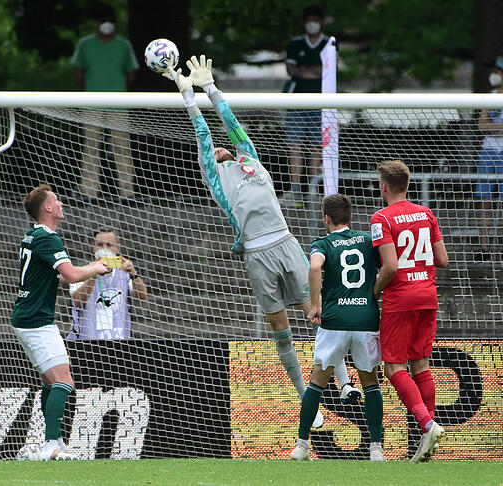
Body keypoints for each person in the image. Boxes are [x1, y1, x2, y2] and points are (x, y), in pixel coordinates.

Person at [165, 55, 361, 430]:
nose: (222, 153)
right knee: (281, 331)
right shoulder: (216, 177)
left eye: (227, 152)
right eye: (219, 156)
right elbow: (204, 136)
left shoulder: (251, 160)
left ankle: (344, 382)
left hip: (286, 244)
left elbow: (232, 126)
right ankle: (308, 400)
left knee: (321, 314)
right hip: (257, 255)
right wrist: (189, 94)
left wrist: (211, 87)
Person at [13, 184, 109, 461]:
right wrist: (96, 267)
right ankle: (50, 445)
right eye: (56, 200)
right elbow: (69, 275)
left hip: (29, 317)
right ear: (47, 208)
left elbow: (55, 274)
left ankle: (54, 440)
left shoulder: (34, 235)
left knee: (50, 380)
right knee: (64, 381)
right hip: (35, 321)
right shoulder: (47, 238)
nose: (61, 203)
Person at [291, 194, 384, 462]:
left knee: (317, 383)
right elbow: (387, 267)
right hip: (365, 319)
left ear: (326, 218)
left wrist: (315, 306)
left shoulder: (323, 243)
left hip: (334, 321)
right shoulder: (367, 240)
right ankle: (376, 448)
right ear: (350, 217)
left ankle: (301, 446)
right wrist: (372, 295)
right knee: (371, 385)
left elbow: (315, 266)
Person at [370, 159, 449, 462]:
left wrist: (374, 291)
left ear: (384, 186)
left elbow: (390, 266)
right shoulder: (426, 213)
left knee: (393, 367)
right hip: (427, 296)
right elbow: (442, 259)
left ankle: (427, 425)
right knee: (421, 365)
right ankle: (427, 438)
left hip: (400, 299)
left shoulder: (381, 218)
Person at [71, 7, 138, 201]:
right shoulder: (85, 45)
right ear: (97, 23)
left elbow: (130, 74)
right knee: (91, 146)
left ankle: (127, 192)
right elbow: (79, 72)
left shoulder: (123, 46)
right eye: (103, 20)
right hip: (91, 104)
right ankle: (88, 191)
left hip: (119, 104)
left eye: (109, 20)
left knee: (122, 147)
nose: (106, 24)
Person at [283, 5, 329, 206]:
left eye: (316, 19)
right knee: (295, 146)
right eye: (309, 19)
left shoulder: (329, 44)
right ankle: (295, 193)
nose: (312, 23)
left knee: (316, 148)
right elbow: (292, 70)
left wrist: (306, 70)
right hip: (297, 102)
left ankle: (313, 192)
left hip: (322, 102)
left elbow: (326, 72)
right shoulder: (295, 43)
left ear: (321, 21)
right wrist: (312, 71)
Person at [67, 227, 147, 340]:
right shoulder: (82, 272)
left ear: (117, 249)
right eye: (100, 245)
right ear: (93, 248)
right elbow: (77, 301)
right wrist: (94, 274)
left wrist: (134, 274)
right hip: (88, 340)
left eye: (109, 245)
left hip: (120, 337)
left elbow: (142, 296)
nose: (105, 249)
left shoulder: (125, 274)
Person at [475, 56, 503, 260]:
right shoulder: (490, 95)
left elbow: (487, 125)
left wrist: (492, 127)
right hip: (488, 152)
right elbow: (481, 124)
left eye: (497, 70)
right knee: (485, 201)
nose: (493, 74)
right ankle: (484, 248)